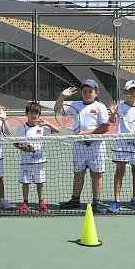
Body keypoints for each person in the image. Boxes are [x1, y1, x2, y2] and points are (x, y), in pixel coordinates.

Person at [54, 79, 111, 214]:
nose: (87, 94)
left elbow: (105, 127)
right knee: (78, 174)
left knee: (96, 175)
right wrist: (62, 96)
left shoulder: (100, 107)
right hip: (79, 146)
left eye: (90, 91)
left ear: (96, 92)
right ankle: (75, 200)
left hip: (96, 146)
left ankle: (96, 202)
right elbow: (58, 110)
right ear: (81, 92)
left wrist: (87, 133)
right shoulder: (75, 104)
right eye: (84, 91)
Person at [107, 80, 135, 213]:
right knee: (119, 171)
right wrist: (113, 113)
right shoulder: (119, 107)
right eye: (130, 91)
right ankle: (117, 201)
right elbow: (112, 121)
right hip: (121, 144)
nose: (133, 93)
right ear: (125, 93)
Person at [13, 101, 59, 214]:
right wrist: (24, 149)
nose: (34, 115)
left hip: (40, 161)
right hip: (26, 162)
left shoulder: (42, 128)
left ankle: (41, 202)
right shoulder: (21, 128)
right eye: (31, 113)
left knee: (40, 183)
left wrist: (47, 123)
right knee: (26, 183)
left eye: (36, 113)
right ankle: (25, 203)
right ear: (26, 113)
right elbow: (15, 143)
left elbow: (57, 130)